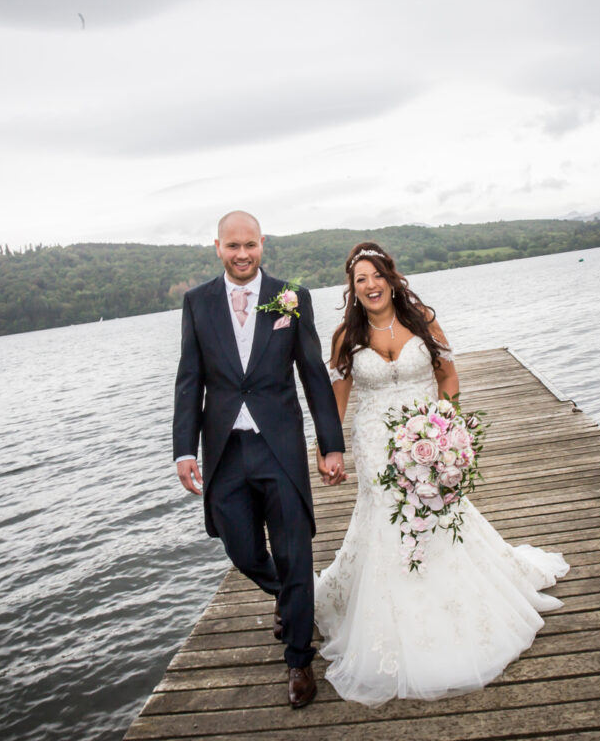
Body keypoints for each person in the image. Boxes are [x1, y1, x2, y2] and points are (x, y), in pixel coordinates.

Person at [314, 241, 570, 706]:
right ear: (352, 290)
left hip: (425, 434)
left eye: (377, 276)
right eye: (360, 280)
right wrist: (327, 448)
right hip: (375, 443)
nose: (371, 286)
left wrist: (447, 425)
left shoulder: (422, 321)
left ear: (392, 279)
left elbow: (448, 377)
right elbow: (338, 401)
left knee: (437, 513)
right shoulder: (344, 337)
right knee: (388, 516)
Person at [172, 211, 346, 709]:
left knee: (294, 551)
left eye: (250, 245)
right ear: (218, 247)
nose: (242, 254)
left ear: (262, 244)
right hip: (225, 451)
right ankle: (291, 600)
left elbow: (313, 374)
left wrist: (330, 443)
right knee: (242, 550)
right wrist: (184, 448)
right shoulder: (198, 303)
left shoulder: (292, 296)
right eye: (233, 246)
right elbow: (190, 379)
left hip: (280, 446)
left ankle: (298, 659)